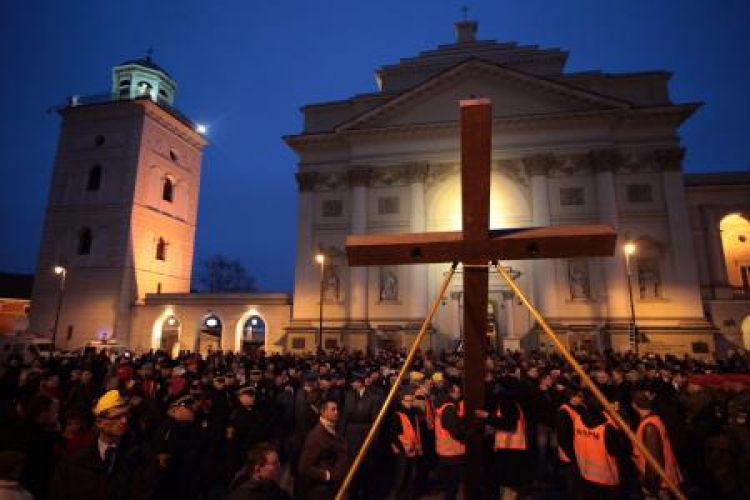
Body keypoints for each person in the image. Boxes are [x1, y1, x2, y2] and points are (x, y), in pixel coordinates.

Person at [50, 389, 155, 500]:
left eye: (126, 415)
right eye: (117, 417)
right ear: (99, 423)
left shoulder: (140, 457)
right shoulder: (74, 460)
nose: (124, 421)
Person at [632, 390, 683, 500]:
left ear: (634, 405)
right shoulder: (653, 420)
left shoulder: (649, 426)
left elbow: (654, 458)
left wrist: (651, 484)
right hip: (660, 478)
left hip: (659, 481)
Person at [298, 397, 348, 500]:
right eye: (333, 409)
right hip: (324, 490)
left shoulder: (331, 428)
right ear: (323, 411)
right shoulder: (316, 436)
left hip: (335, 485)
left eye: (337, 409)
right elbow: (304, 467)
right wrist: (328, 475)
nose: (336, 412)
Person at [388, 388, 422, 500]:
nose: (410, 403)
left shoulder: (413, 413)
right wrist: (402, 447)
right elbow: (393, 435)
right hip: (402, 452)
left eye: (412, 401)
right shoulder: (397, 415)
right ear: (402, 401)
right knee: (400, 479)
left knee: (411, 478)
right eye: (408, 401)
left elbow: (416, 432)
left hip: (413, 451)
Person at [434, 381, 466, 500]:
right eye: (458, 392)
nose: (460, 394)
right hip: (451, 451)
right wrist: (471, 433)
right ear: (451, 393)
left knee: (449, 485)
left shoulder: (442, 405)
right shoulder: (449, 408)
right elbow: (455, 432)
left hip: (445, 449)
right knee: (452, 487)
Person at [227, 443, 292, 500]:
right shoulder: (242, 495)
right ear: (257, 468)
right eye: (274, 463)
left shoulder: (275, 491)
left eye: (278, 462)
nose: (279, 467)